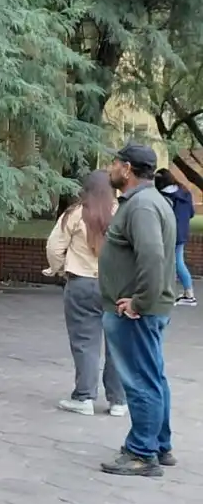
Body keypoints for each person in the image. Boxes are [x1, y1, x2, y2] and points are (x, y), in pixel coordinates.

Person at [98, 142, 177, 477]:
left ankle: (142, 453)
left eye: (114, 163)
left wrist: (139, 301)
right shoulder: (148, 201)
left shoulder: (142, 206)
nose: (110, 169)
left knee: (141, 380)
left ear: (127, 168)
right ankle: (159, 445)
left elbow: (152, 256)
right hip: (144, 308)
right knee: (153, 376)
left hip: (135, 312)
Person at [44, 170, 125, 417]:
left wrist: (59, 270)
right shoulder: (122, 212)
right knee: (118, 345)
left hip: (82, 284)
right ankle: (118, 401)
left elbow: (54, 247)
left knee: (84, 343)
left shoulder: (75, 213)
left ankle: (84, 397)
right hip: (117, 286)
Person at [154, 169, 197, 306]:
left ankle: (185, 294)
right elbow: (191, 213)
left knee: (174, 262)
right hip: (183, 232)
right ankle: (186, 292)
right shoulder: (185, 193)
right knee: (176, 261)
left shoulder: (163, 196)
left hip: (169, 233)